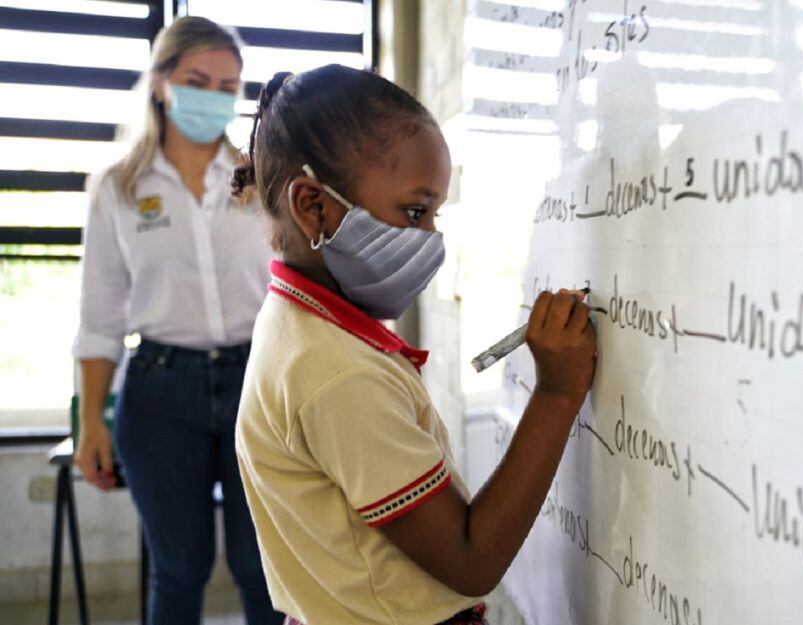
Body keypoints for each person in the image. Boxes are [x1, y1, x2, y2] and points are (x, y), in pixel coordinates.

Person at [231, 65, 597, 625]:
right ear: (312, 205)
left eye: (434, 214)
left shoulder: (300, 325)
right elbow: (471, 561)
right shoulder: (336, 374)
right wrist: (557, 392)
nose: (429, 240)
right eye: (413, 211)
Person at [72, 16, 281, 625]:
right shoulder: (119, 188)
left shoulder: (263, 180)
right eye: (197, 80)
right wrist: (91, 421)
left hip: (258, 385)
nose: (212, 97)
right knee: (178, 570)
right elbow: (100, 316)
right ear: (162, 84)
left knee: (264, 569)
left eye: (227, 86)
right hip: (161, 392)